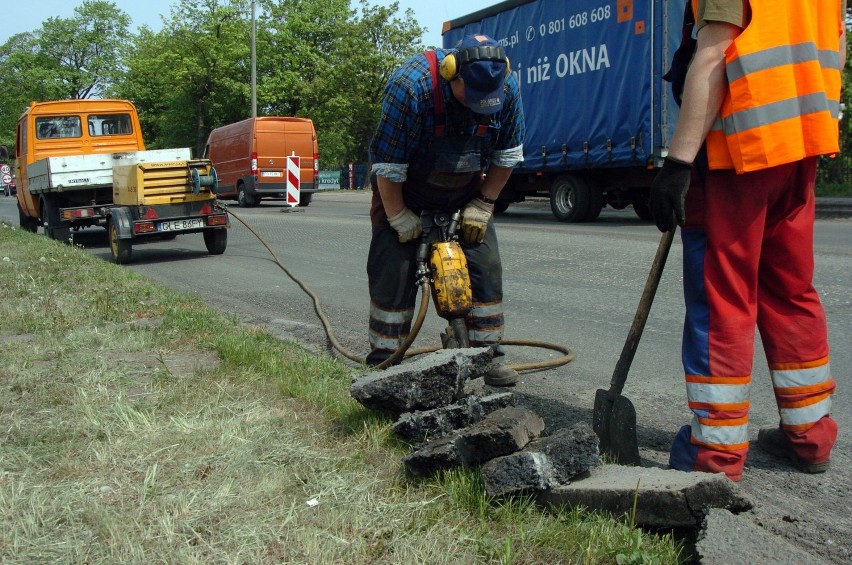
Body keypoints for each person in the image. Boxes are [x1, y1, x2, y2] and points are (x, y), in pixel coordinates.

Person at [651, 0, 845, 481]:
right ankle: (809, 434)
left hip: (739, 153)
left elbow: (714, 55)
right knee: (790, 290)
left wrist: (678, 162)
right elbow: (837, 47)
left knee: (723, 299)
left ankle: (714, 455)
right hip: (800, 145)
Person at [367, 34, 525, 386]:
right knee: (393, 273)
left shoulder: (506, 88)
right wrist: (397, 216)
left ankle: (488, 357)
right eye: (471, 98)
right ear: (453, 74)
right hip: (404, 193)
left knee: (486, 268)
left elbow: (507, 155)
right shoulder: (410, 87)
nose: (478, 108)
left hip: (467, 195)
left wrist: (484, 203)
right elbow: (387, 164)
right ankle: (384, 364)